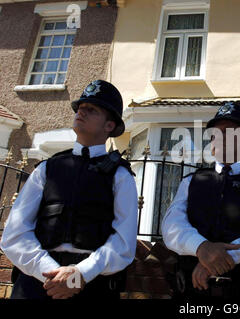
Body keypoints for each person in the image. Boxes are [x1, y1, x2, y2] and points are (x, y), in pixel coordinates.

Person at [0, 80, 138, 299]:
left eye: (91, 110)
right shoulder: (47, 168)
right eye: (80, 108)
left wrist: (79, 274)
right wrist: (50, 273)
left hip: (90, 287)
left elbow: (124, 243)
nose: (81, 112)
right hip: (37, 283)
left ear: (109, 126)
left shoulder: (120, 176)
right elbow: (14, 234)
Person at [162, 102, 240, 299]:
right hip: (193, 292)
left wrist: (218, 260)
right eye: (214, 134)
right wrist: (201, 248)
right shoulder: (191, 182)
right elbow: (171, 227)